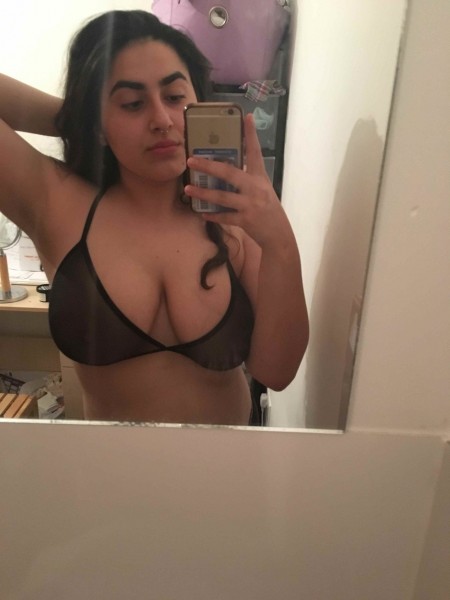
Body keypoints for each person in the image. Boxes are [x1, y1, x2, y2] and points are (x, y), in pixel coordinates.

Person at [0, 10, 308, 425]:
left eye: (175, 97)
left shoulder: (235, 217)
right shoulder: (56, 203)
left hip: (228, 464)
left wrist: (279, 240)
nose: (162, 120)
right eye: (132, 103)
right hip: (111, 466)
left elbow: (278, 371)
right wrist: (76, 119)